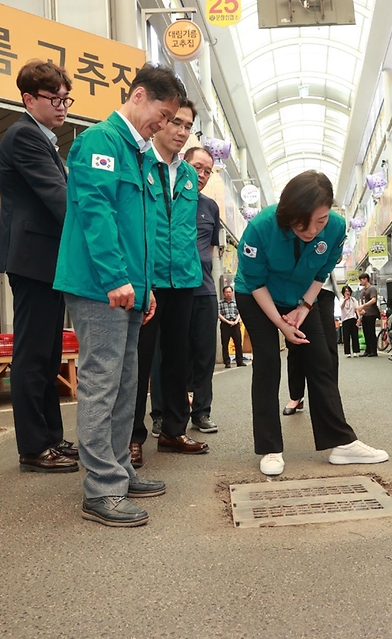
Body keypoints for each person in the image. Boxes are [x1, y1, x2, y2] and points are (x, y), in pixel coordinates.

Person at [53, 64, 185, 528]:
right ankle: (100, 490)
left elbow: (143, 232)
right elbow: (95, 211)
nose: (165, 125)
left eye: (171, 119)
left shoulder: (140, 154)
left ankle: (119, 470)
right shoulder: (101, 142)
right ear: (139, 95)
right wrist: (114, 277)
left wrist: (145, 288)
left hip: (127, 289)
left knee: (127, 384)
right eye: (163, 114)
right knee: (101, 382)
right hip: (98, 286)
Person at [234, 170, 388, 476]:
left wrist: (304, 307)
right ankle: (270, 448)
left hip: (303, 296)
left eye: (320, 221)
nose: (312, 230)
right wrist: (281, 323)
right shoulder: (260, 228)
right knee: (267, 362)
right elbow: (254, 282)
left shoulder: (336, 227)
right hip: (257, 295)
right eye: (303, 222)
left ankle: (341, 443)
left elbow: (322, 272)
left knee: (321, 360)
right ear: (289, 212)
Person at [0, 60, 78, 474]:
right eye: (55, 99)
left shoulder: (43, 139)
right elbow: (57, 196)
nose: (63, 106)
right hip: (32, 261)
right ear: (29, 99)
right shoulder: (24, 135)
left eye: (66, 98)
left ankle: (51, 437)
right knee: (31, 356)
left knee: (48, 355)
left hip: (46, 260)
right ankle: (33, 447)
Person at [130, 98, 208, 468]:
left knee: (179, 358)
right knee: (140, 360)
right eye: (175, 122)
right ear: (160, 121)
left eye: (187, 126)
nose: (180, 131)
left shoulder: (191, 176)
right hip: (149, 277)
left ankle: (174, 431)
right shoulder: (139, 161)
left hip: (185, 278)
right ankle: (131, 436)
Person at [185, 146, 223, 436]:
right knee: (171, 354)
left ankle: (202, 411)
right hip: (174, 287)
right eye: (198, 167)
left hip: (206, 291)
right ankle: (163, 414)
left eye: (208, 170)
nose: (202, 174)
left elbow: (209, 249)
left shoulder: (210, 206)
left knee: (205, 355)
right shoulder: (170, 196)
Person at [283, 276, 340, 415]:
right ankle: (296, 396)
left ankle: (329, 396)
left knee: (328, 344)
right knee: (296, 342)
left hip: (324, 289)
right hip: (298, 287)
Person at [218, 285, 246, 369]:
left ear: (232, 293)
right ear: (223, 293)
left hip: (235, 324)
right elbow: (218, 314)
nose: (228, 294)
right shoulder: (220, 303)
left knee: (238, 343)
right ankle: (227, 362)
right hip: (225, 324)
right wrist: (227, 321)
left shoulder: (236, 303)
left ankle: (239, 361)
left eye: (230, 292)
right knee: (225, 344)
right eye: (226, 292)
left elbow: (239, 313)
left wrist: (236, 321)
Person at [356, 272, 380, 357]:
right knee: (365, 331)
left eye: (361, 279)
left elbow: (374, 299)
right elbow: (361, 300)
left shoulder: (372, 289)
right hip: (365, 313)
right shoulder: (363, 290)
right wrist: (361, 308)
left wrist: (364, 305)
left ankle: (373, 350)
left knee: (371, 331)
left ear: (366, 279)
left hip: (371, 312)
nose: (361, 281)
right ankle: (368, 349)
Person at [339, 285, 360, 358]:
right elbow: (341, 307)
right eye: (346, 291)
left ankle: (356, 351)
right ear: (343, 293)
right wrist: (345, 299)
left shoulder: (353, 300)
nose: (347, 293)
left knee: (354, 335)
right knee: (346, 336)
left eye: (348, 291)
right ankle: (347, 352)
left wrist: (359, 318)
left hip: (353, 318)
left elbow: (356, 309)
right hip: (345, 319)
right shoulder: (341, 299)